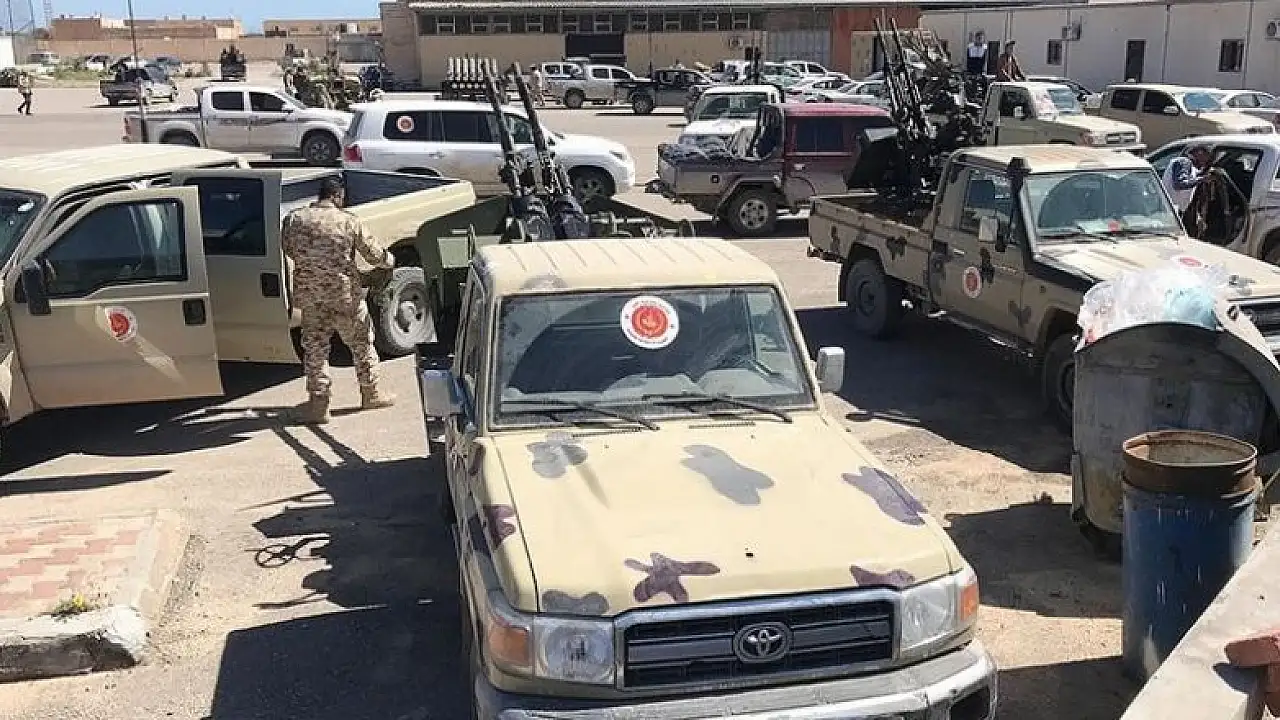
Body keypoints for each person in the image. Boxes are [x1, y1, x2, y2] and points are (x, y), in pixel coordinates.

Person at [281, 177, 397, 424]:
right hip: (345, 296)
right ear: (338, 196)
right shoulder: (348, 221)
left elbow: (288, 249)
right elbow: (373, 255)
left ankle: (319, 405)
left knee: (315, 348)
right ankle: (371, 394)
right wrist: (390, 261)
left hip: (311, 297)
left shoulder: (294, 219)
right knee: (362, 343)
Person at [1163, 144, 1212, 214]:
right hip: (1170, 209)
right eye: (1207, 156)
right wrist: (1202, 179)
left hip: (1172, 208)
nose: (1207, 161)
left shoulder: (1188, 165)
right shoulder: (1184, 162)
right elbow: (1180, 184)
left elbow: (1190, 177)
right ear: (1200, 152)